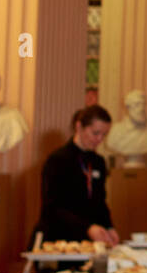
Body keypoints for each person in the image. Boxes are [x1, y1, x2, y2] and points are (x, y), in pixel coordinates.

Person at [32, 105, 118, 246]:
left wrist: (109, 227)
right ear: (79, 127)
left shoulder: (98, 162)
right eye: (95, 133)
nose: (100, 139)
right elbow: (52, 208)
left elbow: (100, 202)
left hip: (87, 241)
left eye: (104, 135)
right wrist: (87, 228)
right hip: (58, 238)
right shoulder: (57, 160)